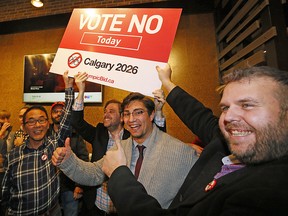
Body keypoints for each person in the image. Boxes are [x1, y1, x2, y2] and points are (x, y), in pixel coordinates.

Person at [100, 64, 288, 216]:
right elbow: (199, 116)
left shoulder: (267, 194)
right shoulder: (230, 141)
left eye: (247, 105)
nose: (229, 117)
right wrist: (167, 82)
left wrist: (119, 175)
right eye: (225, 107)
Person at [52, 80, 198, 215]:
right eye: (127, 114)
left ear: (152, 114)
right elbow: (94, 173)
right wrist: (68, 161)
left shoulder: (181, 153)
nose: (131, 119)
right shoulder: (120, 147)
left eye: (139, 112)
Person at [71, 73, 167, 216]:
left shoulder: (133, 136)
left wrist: (158, 110)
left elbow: (157, 137)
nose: (106, 114)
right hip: (96, 206)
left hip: (123, 207)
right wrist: (81, 91)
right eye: (105, 111)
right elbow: (77, 123)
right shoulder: (99, 133)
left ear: (122, 117)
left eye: (111, 111)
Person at [1, 71, 85, 215]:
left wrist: (69, 87)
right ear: (25, 127)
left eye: (41, 120)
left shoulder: (54, 145)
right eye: (31, 121)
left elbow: (67, 119)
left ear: (47, 124)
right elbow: (4, 193)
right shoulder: (13, 155)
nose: (37, 125)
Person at [47, 101, 89, 216]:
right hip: (48, 188)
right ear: (51, 115)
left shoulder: (76, 134)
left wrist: (79, 185)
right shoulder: (45, 134)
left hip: (70, 187)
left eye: (62, 111)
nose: (58, 114)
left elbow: (84, 159)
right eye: (55, 112)